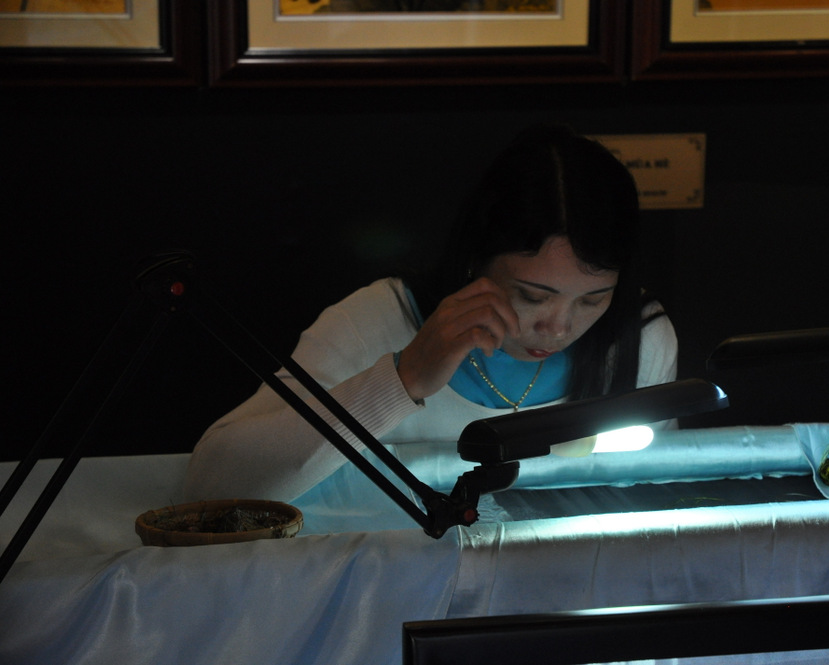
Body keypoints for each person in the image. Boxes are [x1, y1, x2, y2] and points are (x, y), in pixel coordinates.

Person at [183, 125, 678, 503]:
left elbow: (659, 498)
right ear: (476, 260)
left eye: (592, 299)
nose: (558, 327)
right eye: (531, 296)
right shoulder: (377, 320)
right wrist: (402, 381)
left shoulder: (639, 337)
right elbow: (212, 487)